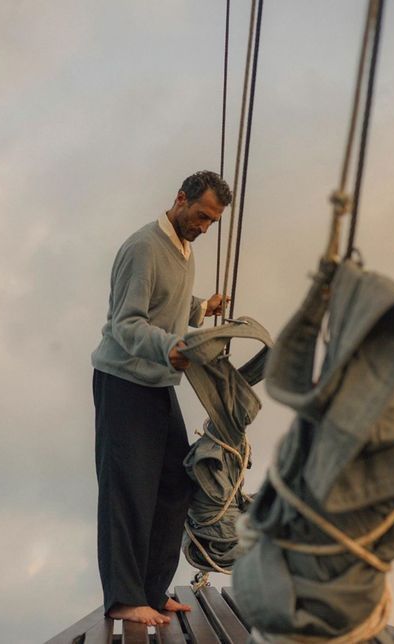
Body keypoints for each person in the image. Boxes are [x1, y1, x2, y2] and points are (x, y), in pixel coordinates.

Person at [91, 170, 232, 626]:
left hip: (155, 385)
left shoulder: (182, 247)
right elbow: (126, 323)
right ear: (180, 199)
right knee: (128, 493)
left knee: (176, 485)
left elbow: (165, 300)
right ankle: (124, 598)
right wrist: (168, 348)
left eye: (213, 222)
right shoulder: (143, 247)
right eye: (202, 215)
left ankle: (153, 589)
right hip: (124, 382)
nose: (205, 227)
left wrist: (200, 309)